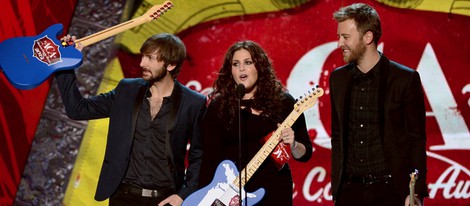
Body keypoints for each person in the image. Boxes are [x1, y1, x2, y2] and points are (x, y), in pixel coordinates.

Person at [56, 33, 206, 206]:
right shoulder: (127, 90)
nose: (142, 63)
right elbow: (78, 110)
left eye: (150, 58)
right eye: (143, 56)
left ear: (171, 64)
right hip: (123, 196)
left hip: (165, 199)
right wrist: (65, 63)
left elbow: (199, 155)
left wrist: (183, 195)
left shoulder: (194, 103)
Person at [329, 3, 428, 206]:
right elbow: (338, 137)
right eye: (339, 36)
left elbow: (416, 139)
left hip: (391, 191)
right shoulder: (338, 79)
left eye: (345, 37)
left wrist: (415, 191)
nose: (339, 43)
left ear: (368, 37)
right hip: (350, 191)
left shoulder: (404, 79)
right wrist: (337, 190)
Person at [198, 40, 312, 205]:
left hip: (275, 192)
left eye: (248, 62)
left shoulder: (284, 102)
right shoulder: (219, 107)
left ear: (259, 67)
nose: (241, 69)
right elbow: (208, 161)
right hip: (231, 196)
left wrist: (293, 144)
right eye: (235, 64)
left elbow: (305, 154)